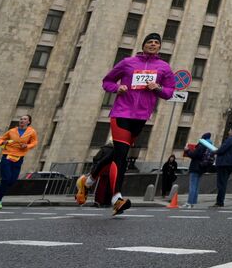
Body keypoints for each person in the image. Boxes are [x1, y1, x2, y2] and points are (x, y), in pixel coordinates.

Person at [80, 32, 177, 216]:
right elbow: (107, 81)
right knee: (122, 156)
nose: (153, 44)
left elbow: (170, 92)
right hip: (121, 113)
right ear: (143, 45)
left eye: (156, 42)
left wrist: (158, 88)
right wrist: (118, 88)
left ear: (159, 47)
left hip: (141, 116)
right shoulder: (128, 62)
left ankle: (88, 180)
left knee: (118, 152)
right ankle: (117, 198)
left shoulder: (164, 67)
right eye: (150, 42)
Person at [0, 116, 39, 209]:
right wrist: (3, 142)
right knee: (6, 179)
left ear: (29, 122)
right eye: (21, 119)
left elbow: (34, 142)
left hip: (19, 158)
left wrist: (27, 145)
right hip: (7, 156)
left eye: (25, 119)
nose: (22, 120)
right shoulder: (12, 131)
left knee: (12, 181)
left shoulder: (32, 132)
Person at [213, 126, 232, 207]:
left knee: (221, 183)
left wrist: (215, 151)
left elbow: (222, 149)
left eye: (230, 130)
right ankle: (220, 201)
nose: (229, 132)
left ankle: (219, 202)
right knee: (224, 182)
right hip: (231, 163)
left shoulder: (231, 139)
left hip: (223, 163)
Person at [184, 136, 215, 208]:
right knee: (196, 186)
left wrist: (187, 150)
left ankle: (190, 202)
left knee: (192, 186)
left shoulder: (201, 145)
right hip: (202, 168)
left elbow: (194, 155)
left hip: (195, 167)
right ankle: (194, 202)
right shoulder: (209, 146)